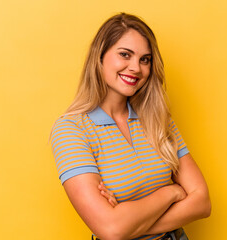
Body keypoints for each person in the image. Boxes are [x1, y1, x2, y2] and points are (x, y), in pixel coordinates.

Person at [50, 13, 211, 240]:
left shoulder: (159, 120)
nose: (136, 68)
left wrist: (127, 224)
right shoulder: (70, 130)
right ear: (100, 58)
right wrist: (172, 192)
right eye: (125, 55)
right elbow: (111, 230)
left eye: (144, 59)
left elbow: (202, 202)